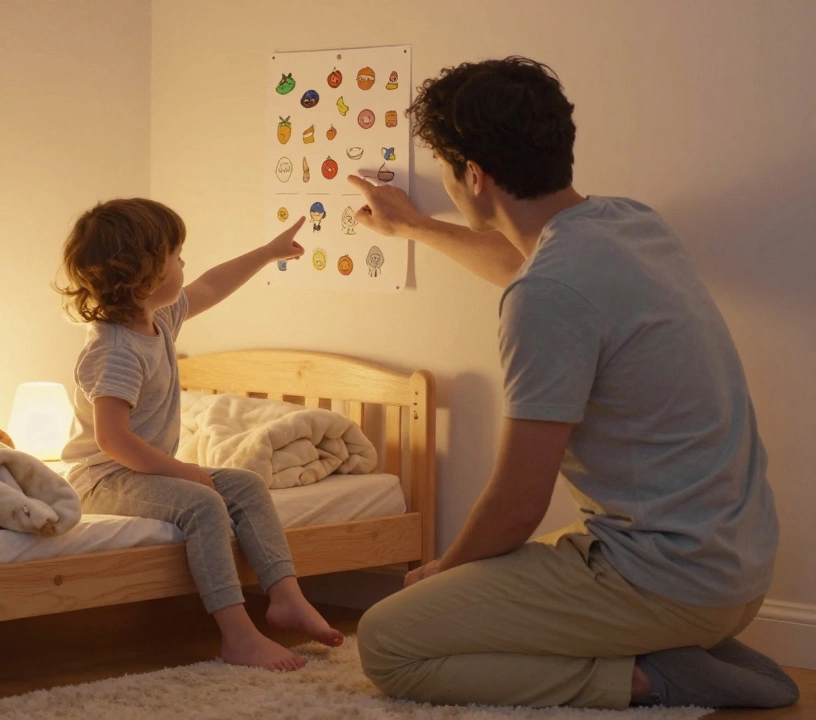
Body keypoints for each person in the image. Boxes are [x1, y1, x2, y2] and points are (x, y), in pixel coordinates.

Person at [347, 56, 799, 710]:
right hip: (735, 564)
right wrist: (414, 226)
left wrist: (444, 570)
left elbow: (516, 505)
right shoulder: (626, 222)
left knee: (388, 639)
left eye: (448, 174)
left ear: (474, 177)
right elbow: (522, 263)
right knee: (502, 578)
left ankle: (654, 678)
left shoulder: (547, 294)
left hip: (667, 582)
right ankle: (689, 649)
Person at [56, 199, 343, 670]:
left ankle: (287, 596)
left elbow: (212, 284)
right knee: (203, 502)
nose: (184, 263)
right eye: (176, 255)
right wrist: (183, 471)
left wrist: (268, 252)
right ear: (145, 273)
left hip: (142, 472)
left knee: (246, 485)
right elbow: (113, 440)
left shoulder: (159, 319)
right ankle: (238, 635)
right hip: (101, 479)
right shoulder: (115, 349)